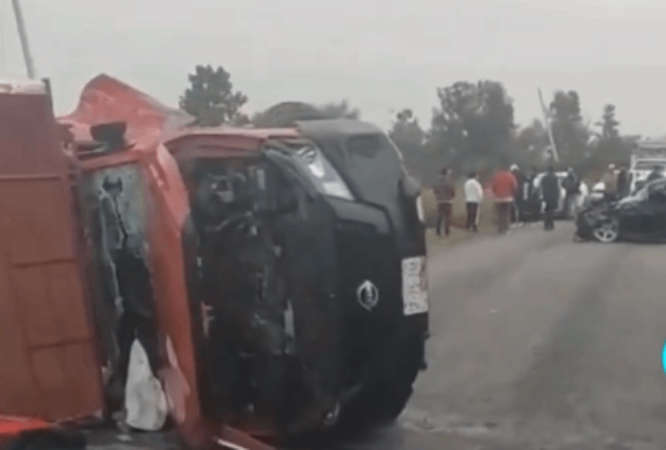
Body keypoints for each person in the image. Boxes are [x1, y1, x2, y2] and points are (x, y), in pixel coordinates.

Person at [488, 162, 518, 233]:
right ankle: (506, 228)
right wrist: (512, 194)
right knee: (506, 214)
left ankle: (500, 228)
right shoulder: (510, 176)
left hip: (498, 198)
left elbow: (492, 186)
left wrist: (495, 194)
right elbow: (515, 186)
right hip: (508, 198)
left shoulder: (496, 176)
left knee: (500, 213)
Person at [434, 167, 456, 237]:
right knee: (447, 217)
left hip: (439, 201)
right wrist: (452, 196)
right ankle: (447, 232)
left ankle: (438, 231)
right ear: (446, 173)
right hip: (448, 201)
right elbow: (452, 190)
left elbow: (435, 191)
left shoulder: (437, 181)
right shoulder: (448, 180)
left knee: (440, 217)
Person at [540, 166, 560, 230]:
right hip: (553, 196)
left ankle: (546, 224)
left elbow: (541, 187)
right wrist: (557, 196)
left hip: (546, 196)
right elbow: (557, 188)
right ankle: (550, 224)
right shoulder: (555, 178)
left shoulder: (544, 177)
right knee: (551, 211)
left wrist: (542, 196)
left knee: (546, 210)